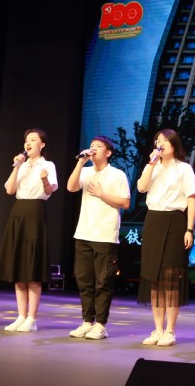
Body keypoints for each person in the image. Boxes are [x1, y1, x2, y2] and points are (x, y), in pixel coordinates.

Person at [136, 128, 195, 347]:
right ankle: (157, 329)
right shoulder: (152, 166)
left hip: (175, 220)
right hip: (154, 220)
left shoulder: (184, 169)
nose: (160, 144)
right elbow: (141, 188)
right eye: (157, 140)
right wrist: (150, 164)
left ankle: (170, 330)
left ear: (173, 144)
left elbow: (191, 199)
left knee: (171, 276)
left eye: (164, 140)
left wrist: (189, 229)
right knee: (154, 275)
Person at [66, 135, 131, 340]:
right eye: (91, 145)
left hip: (105, 235)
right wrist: (80, 162)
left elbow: (125, 203)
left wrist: (102, 194)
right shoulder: (85, 171)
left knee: (103, 282)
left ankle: (100, 325)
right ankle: (87, 321)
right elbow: (71, 187)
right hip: (84, 233)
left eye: (98, 146)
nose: (93, 148)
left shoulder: (117, 175)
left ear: (108, 153)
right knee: (84, 280)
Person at [0, 128, 58, 333]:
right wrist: (16, 167)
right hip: (18, 211)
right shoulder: (21, 164)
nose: (28, 143)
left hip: (35, 212)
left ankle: (32, 318)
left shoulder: (48, 165)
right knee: (18, 266)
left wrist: (44, 179)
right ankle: (21, 316)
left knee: (33, 267)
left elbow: (50, 191)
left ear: (42, 144)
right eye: (26, 140)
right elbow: (9, 190)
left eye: (33, 139)